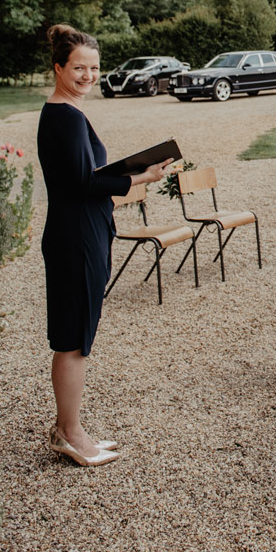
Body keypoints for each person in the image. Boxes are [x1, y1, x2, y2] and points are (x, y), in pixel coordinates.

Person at [36, 24, 171, 466]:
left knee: (75, 334)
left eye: (93, 68)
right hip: (75, 237)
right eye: (78, 68)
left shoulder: (66, 112)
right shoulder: (65, 115)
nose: (88, 75)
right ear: (58, 67)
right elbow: (83, 183)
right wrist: (140, 177)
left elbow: (84, 177)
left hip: (78, 232)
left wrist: (130, 174)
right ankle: (70, 434)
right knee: (74, 339)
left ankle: (67, 426)